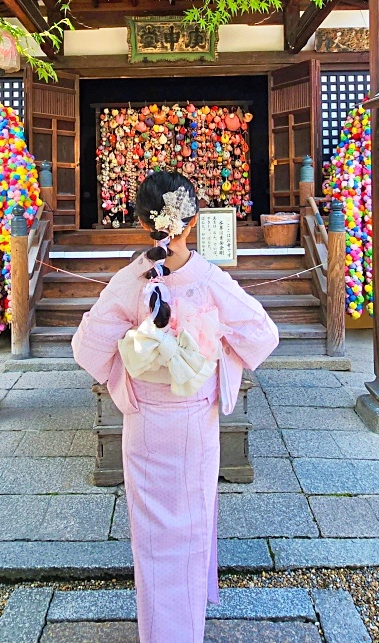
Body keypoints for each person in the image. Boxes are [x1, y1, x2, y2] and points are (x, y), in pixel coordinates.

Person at [71, 171, 280, 643]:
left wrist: (134, 354)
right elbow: (263, 335)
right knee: (191, 519)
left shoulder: (128, 281)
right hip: (194, 417)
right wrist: (211, 350)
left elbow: (86, 348)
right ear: (195, 220)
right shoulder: (210, 280)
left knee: (152, 537)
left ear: (141, 221)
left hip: (145, 418)